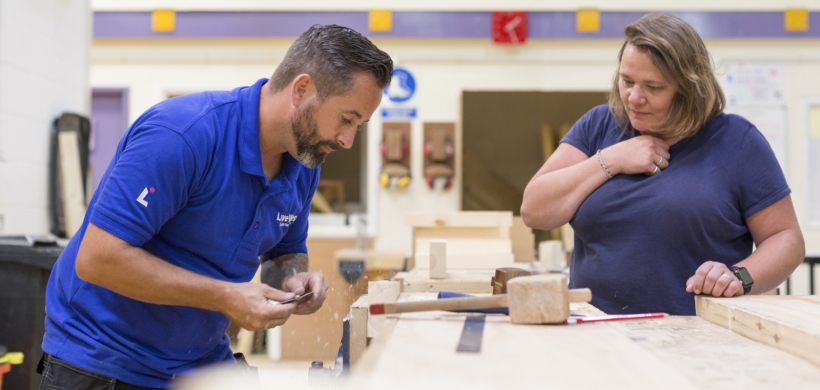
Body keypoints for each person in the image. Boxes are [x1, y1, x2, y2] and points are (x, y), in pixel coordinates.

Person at [39, 24, 393, 389]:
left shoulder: (303, 166)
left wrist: (291, 279)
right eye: (346, 119)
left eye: (359, 126)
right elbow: (97, 258)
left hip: (199, 362)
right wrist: (226, 296)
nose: (347, 140)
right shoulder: (183, 136)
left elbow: (285, 253)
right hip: (103, 360)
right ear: (302, 90)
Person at [521, 13, 804, 316]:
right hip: (595, 330)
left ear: (689, 88)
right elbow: (534, 210)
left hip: (693, 338)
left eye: (653, 88)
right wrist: (610, 160)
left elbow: (786, 239)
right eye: (626, 81)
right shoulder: (599, 126)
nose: (634, 97)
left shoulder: (737, 141)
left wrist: (738, 276)